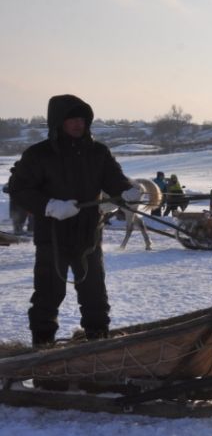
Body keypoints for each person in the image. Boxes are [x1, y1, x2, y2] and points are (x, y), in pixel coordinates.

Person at [7, 94, 139, 346]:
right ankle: (42, 348)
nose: (78, 124)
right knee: (48, 294)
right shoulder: (38, 155)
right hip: (52, 236)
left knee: (95, 295)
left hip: (88, 233)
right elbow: (19, 190)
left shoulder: (99, 152)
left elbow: (114, 180)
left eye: (82, 119)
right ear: (58, 122)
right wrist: (49, 206)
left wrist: (126, 190)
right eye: (72, 119)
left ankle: (97, 345)